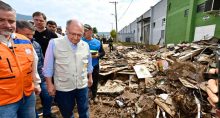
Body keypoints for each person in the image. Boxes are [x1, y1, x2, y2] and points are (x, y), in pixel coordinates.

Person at [43, 19, 93, 118]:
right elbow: (48, 66)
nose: (75, 38)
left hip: (82, 85)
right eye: (72, 34)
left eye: (79, 35)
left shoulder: (85, 45)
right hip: (63, 87)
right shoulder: (54, 43)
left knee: (84, 110)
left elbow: (88, 64)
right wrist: (49, 84)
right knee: (67, 112)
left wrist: (90, 77)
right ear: (66, 30)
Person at [0, 1, 41, 118]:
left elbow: (34, 62)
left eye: (11, 21)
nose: (7, 25)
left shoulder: (24, 40)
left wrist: (36, 83)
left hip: (27, 95)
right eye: (1, 20)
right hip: (4, 103)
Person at [16, 20, 56, 118]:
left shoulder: (36, 45)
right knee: (29, 103)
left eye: (32, 35)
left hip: (40, 78)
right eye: (27, 35)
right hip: (24, 82)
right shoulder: (12, 47)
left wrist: (45, 78)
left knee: (48, 96)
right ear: (16, 32)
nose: (30, 37)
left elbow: (42, 61)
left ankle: (47, 113)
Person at [82, 24, 105, 102]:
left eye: (85, 30)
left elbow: (103, 53)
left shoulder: (98, 42)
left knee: (94, 81)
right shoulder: (80, 41)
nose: (84, 32)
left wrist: (98, 55)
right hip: (83, 66)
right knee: (84, 82)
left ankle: (94, 95)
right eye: (83, 30)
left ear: (91, 31)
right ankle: (85, 96)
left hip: (95, 65)